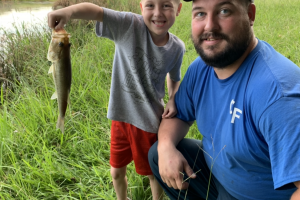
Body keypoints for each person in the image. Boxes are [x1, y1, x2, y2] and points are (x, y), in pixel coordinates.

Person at [148, 0, 300, 199]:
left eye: (224, 11)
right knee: (158, 155)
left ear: (250, 14)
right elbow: (178, 116)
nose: (209, 25)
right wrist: (166, 146)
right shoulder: (201, 68)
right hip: (219, 177)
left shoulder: (278, 96)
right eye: (200, 13)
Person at [47, 0, 185, 199]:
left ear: (178, 9)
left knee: (153, 173)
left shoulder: (177, 48)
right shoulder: (128, 25)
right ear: (141, 7)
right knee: (116, 171)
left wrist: (173, 98)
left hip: (149, 122)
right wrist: (68, 12)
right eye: (150, 5)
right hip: (119, 117)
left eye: (166, 5)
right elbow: (96, 11)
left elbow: (173, 78)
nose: (158, 13)